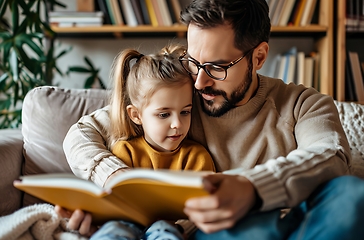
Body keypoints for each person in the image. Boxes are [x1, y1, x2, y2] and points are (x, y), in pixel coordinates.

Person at [60, 0, 364, 239]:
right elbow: (82, 133)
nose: (200, 82)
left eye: (218, 67)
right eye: (194, 62)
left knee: (353, 195)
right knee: (253, 229)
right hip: (232, 231)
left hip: (291, 221)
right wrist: (113, 180)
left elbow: (331, 157)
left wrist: (252, 189)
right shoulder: (181, 98)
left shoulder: (303, 103)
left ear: (258, 57)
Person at [57, 44, 215, 240]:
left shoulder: (197, 158)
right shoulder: (124, 151)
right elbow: (112, 203)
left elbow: (202, 210)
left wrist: (179, 227)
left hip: (171, 229)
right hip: (123, 224)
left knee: (164, 231)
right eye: (164, 114)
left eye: (185, 112)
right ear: (136, 115)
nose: (177, 124)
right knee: (114, 230)